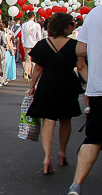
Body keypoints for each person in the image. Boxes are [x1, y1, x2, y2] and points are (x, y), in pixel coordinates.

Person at [63, 2, 102, 195]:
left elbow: (80, 50)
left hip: (101, 87)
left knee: (94, 138)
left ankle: (76, 186)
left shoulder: (96, 13)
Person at [26, 12, 83, 174]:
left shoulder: (43, 44)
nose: (73, 26)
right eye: (71, 24)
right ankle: (62, 153)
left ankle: (47, 157)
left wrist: (32, 85)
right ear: (65, 26)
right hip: (68, 83)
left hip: (48, 83)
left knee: (49, 120)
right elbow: (81, 67)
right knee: (65, 118)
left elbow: (38, 67)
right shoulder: (75, 45)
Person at [22, 16, 44, 81]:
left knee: (27, 60)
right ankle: (33, 74)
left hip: (27, 44)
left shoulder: (24, 25)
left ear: (28, 16)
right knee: (34, 61)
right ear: (34, 17)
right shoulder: (37, 25)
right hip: (35, 44)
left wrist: (23, 43)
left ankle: (26, 72)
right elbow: (39, 36)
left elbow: (23, 35)